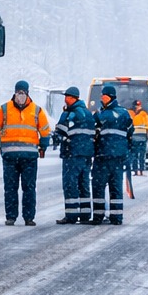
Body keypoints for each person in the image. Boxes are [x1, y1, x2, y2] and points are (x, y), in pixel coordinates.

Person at [0, 80, 50, 226]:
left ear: (27, 93)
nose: (21, 95)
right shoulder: (4, 109)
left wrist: (43, 147)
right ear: (15, 93)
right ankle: (11, 217)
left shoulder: (37, 110)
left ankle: (29, 218)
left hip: (29, 158)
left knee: (28, 188)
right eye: (19, 92)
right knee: (11, 188)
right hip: (10, 158)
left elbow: (45, 131)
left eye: (23, 92)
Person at [91, 83, 134, 225]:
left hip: (102, 157)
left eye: (103, 95)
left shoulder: (100, 114)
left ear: (109, 97)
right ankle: (116, 217)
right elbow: (130, 132)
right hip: (118, 157)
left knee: (98, 186)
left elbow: (93, 134)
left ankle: (98, 217)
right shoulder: (124, 113)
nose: (101, 97)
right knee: (115, 187)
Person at [52, 86, 95, 224]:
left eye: (67, 97)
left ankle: (71, 216)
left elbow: (60, 133)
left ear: (73, 98)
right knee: (84, 184)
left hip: (72, 154)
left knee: (70, 185)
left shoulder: (69, 114)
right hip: (86, 155)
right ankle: (85, 215)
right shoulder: (88, 114)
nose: (65, 99)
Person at [128, 98, 148, 176]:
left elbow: (147, 124)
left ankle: (139, 170)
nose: (138, 107)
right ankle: (137, 170)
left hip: (139, 137)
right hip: (138, 137)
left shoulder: (140, 114)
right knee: (137, 155)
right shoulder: (137, 113)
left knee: (138, 155)